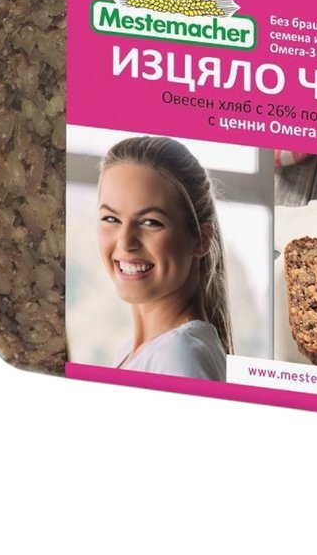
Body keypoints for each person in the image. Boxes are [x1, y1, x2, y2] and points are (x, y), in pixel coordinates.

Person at [97, 136, 231, 380]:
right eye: (111, 219)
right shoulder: (133, 353)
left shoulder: (177, 355)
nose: (125, 242)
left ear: (201, 240)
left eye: (151, 222)